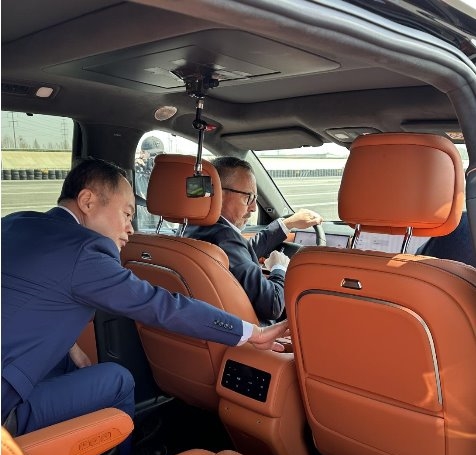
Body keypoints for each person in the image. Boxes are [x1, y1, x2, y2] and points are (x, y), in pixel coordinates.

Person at [1, 158, 289, 438]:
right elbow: (163, 306)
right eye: (127, 214)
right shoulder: (86, 252)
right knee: (119, 381)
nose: (131, 228)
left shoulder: (16, 222)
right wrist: (252, 332)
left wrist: (72, 346)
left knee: (70, 365)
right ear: (87, 202)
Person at [185, 156, 323, 325]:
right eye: (248, 198)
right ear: (219, 194)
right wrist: (279, 268)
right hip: (254, 336)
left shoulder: (189, 230)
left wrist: (287, 224)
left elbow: (239, 255)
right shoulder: (225, 238)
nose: (253, 208)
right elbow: (273, 304)